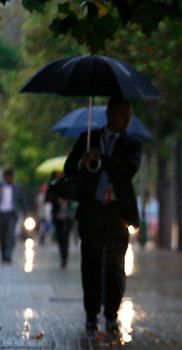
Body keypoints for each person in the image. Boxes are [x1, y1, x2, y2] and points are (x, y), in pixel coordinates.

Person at [64, 97, 141, 334]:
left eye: (130, 116)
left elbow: (128, 169)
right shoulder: (88, 139)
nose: (127, 120)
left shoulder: (132, 144)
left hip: (118, 214)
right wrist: (83, 160)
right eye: (123, 115)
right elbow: (70, 168)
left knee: (116, 267)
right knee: (91, 265)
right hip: (92, 211)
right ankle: (91, 315)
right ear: (109, 114)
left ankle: (111, 315)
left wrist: (102, 158)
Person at [0, 169, 28, 264]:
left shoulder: (17, 188)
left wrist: (25, 213)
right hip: (1, 214)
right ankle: (3, 254)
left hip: (11, 214)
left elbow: (22, 200)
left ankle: (9, 254)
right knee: (2, 235)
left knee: (10, 235)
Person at [46, 171, 74, 268]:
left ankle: (65, 257)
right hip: (57, 216)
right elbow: (48, 198)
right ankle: (62, 256)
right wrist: (56, 200)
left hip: (67, 216)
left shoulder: (69, 184)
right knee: (60, 237)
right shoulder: (53, 186)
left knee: (65, 236)